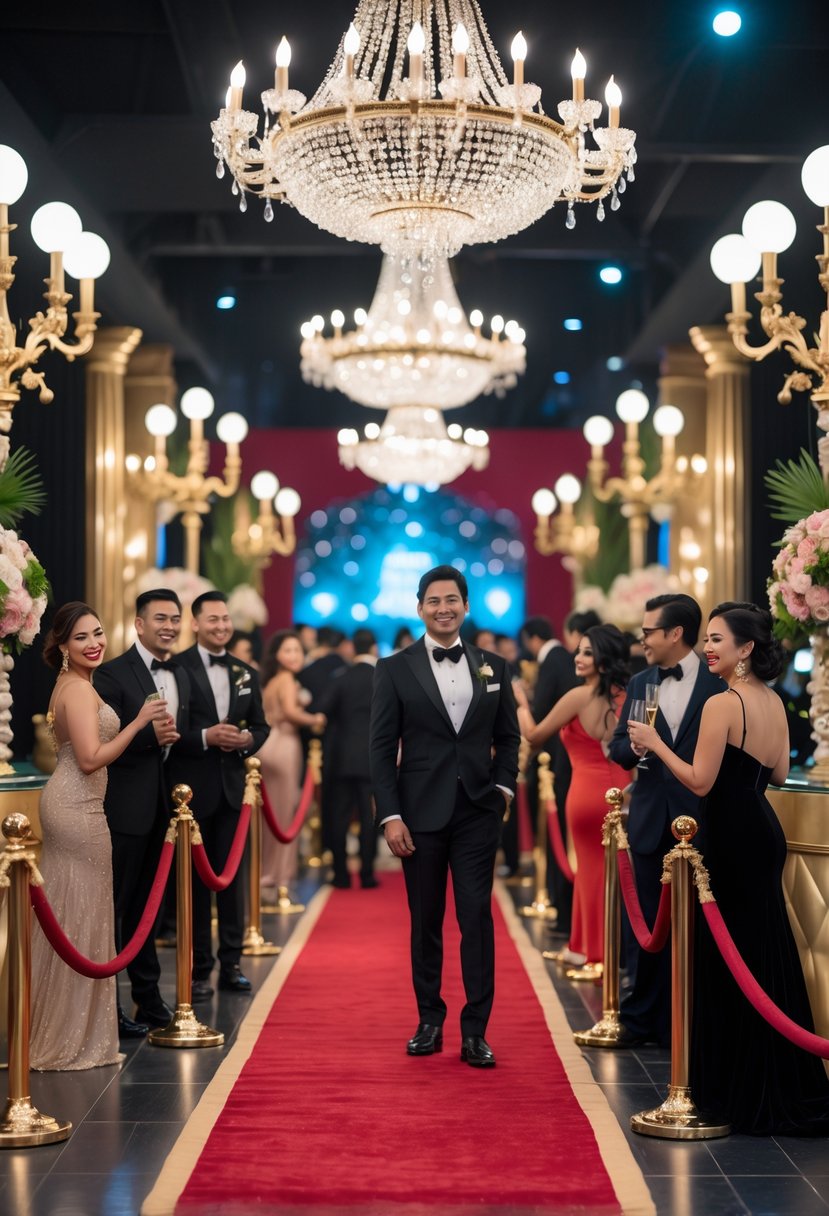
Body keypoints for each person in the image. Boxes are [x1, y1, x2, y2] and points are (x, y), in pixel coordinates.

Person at [628, 602, 829, 1135]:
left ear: (746, 649)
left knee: (729, 958)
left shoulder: (723, 703)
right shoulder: (776, 703)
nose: (709, 647)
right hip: (763, 831)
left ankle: (730, 1088)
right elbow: (782, 771)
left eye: (718, 639)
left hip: (730, 836)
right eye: (708, 638)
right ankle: (773, 1079)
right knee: (765, 952)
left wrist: (655, 744)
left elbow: (698, 781)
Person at [370, 565, 520, 1068]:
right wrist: (390, 815)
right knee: (425, 920)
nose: (443, 608)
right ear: (419, 608)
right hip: (419, 813)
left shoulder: (494, 666)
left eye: (452, 600)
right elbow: (379, 748)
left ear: (466, 605)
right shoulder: (393, 669)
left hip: (478, 810)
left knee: (476, 916)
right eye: (434, 601)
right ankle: (429, 1019)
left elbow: (510, 736)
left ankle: (475, 1030)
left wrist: (501, 787)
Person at [30, 601, 170, 1070]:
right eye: (81, 638)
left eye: (97, 634)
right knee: (78, 914)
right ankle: (65, 1036)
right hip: (75, 806)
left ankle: (77, 1030)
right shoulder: (75, 689)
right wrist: (138, 722)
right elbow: (89, 758)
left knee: (82, 912)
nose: (94, 644)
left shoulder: (78, 685)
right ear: (63, 647)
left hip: (80, 803)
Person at [609, 592, 723, 1047]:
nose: (643, 639)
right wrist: (635, 747)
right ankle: (644, 1021)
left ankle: (696, 1024)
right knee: (648, 928)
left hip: (703, 818)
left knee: (702, 927)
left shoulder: (718, 683)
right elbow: (618, 748)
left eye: (649, 631)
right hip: (652, 820)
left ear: (676, 633)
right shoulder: (641, 683)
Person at [95, 589, 188, 1037]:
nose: (169, 627)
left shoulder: (183, 672)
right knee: (115, 909)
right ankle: (106, 1007)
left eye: (175, 619)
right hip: (124, 808)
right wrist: (153, 736)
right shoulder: (111, 675)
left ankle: (149, 999)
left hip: (166, 809)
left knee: (149, 910)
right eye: (160, 619)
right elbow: (101, 747)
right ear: (138, 624)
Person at [166, 591, 268, 1000]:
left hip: (231, 793)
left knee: (231, 883)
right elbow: (168, 732)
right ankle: (198, 968)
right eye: (213, 620)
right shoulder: (176, 669)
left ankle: (232, 964)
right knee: (194, 887)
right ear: (195, 624)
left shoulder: (245, 671)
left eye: (225, 620)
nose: (222, 626)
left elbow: (262, 727)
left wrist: (246, 740)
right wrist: (206, 738)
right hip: (189, 793)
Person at [513, 625, 630, 973]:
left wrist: (521, 705)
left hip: (585, 794)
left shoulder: (578, 697)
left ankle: (589, 949)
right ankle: (602, 950)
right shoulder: (629, 696)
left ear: (604, 659)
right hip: (622, 794)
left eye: (587, 653)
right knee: (617, 875)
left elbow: (534, 736)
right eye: (578, 651)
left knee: (590, 873)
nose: (578, 658)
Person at [520, 615, 579, 928]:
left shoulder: (553, 659)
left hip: (561, 758)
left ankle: (562, 908)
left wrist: (520, 703)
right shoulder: (561, 658)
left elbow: (539, 715)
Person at [258, 629, 326, 895]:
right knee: (286, 813)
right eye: (288, 650)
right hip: (285, 744)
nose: (295, 655)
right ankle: (281, 876)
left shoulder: (274, 679)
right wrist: (316, 718)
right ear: (277, 655)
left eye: (297, 650)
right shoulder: (286, 679)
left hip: (268, 744)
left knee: (272, 814)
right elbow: (289, 712)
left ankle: (268, 872)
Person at [316, 627, 379, 889]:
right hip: (372, 758)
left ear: (353, 648)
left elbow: (322, 710)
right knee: (370, 819)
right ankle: (366, 874)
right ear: (374, 648)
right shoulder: (382, 677)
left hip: (341, 758)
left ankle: (340, 874)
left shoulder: (341, 677)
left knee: (339, 818)